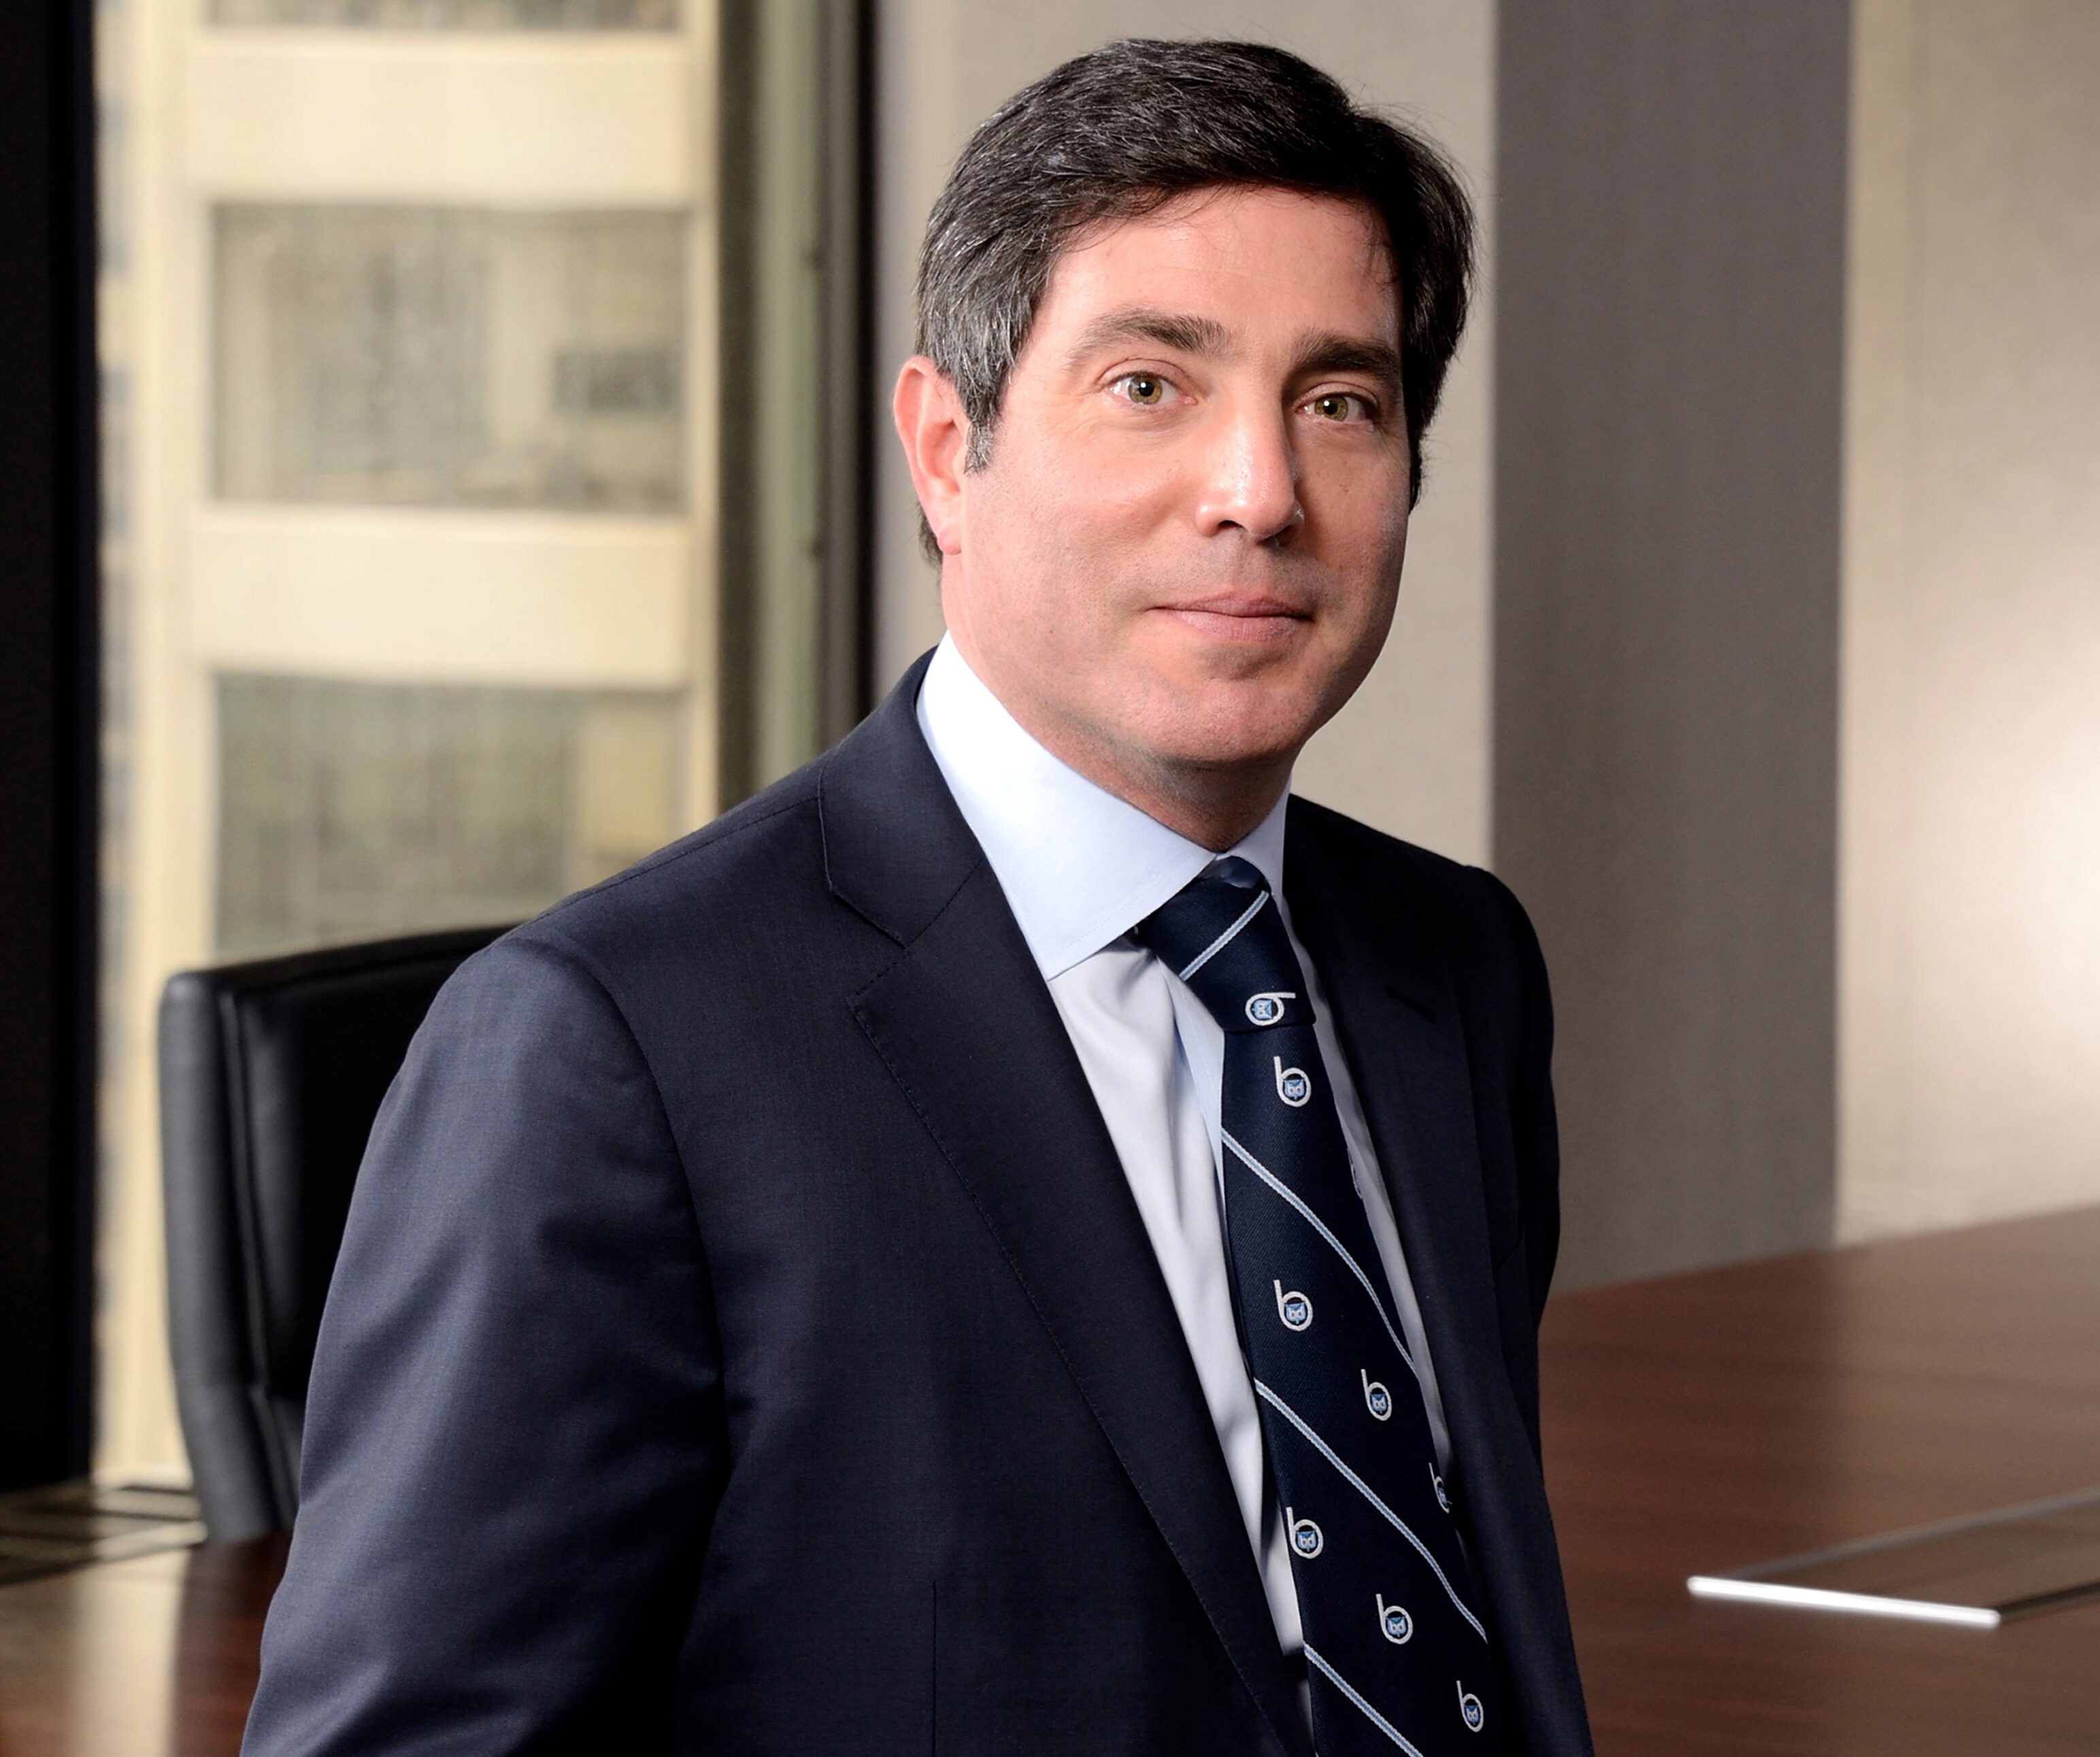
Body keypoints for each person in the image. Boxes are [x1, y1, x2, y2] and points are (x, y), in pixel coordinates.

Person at [243, 37, 1591, 1757]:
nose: (1259, 493)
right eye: (1149, 385)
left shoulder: (1450, 967)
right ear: (946, 449)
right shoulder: (613, 1049)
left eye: (1339, 402)